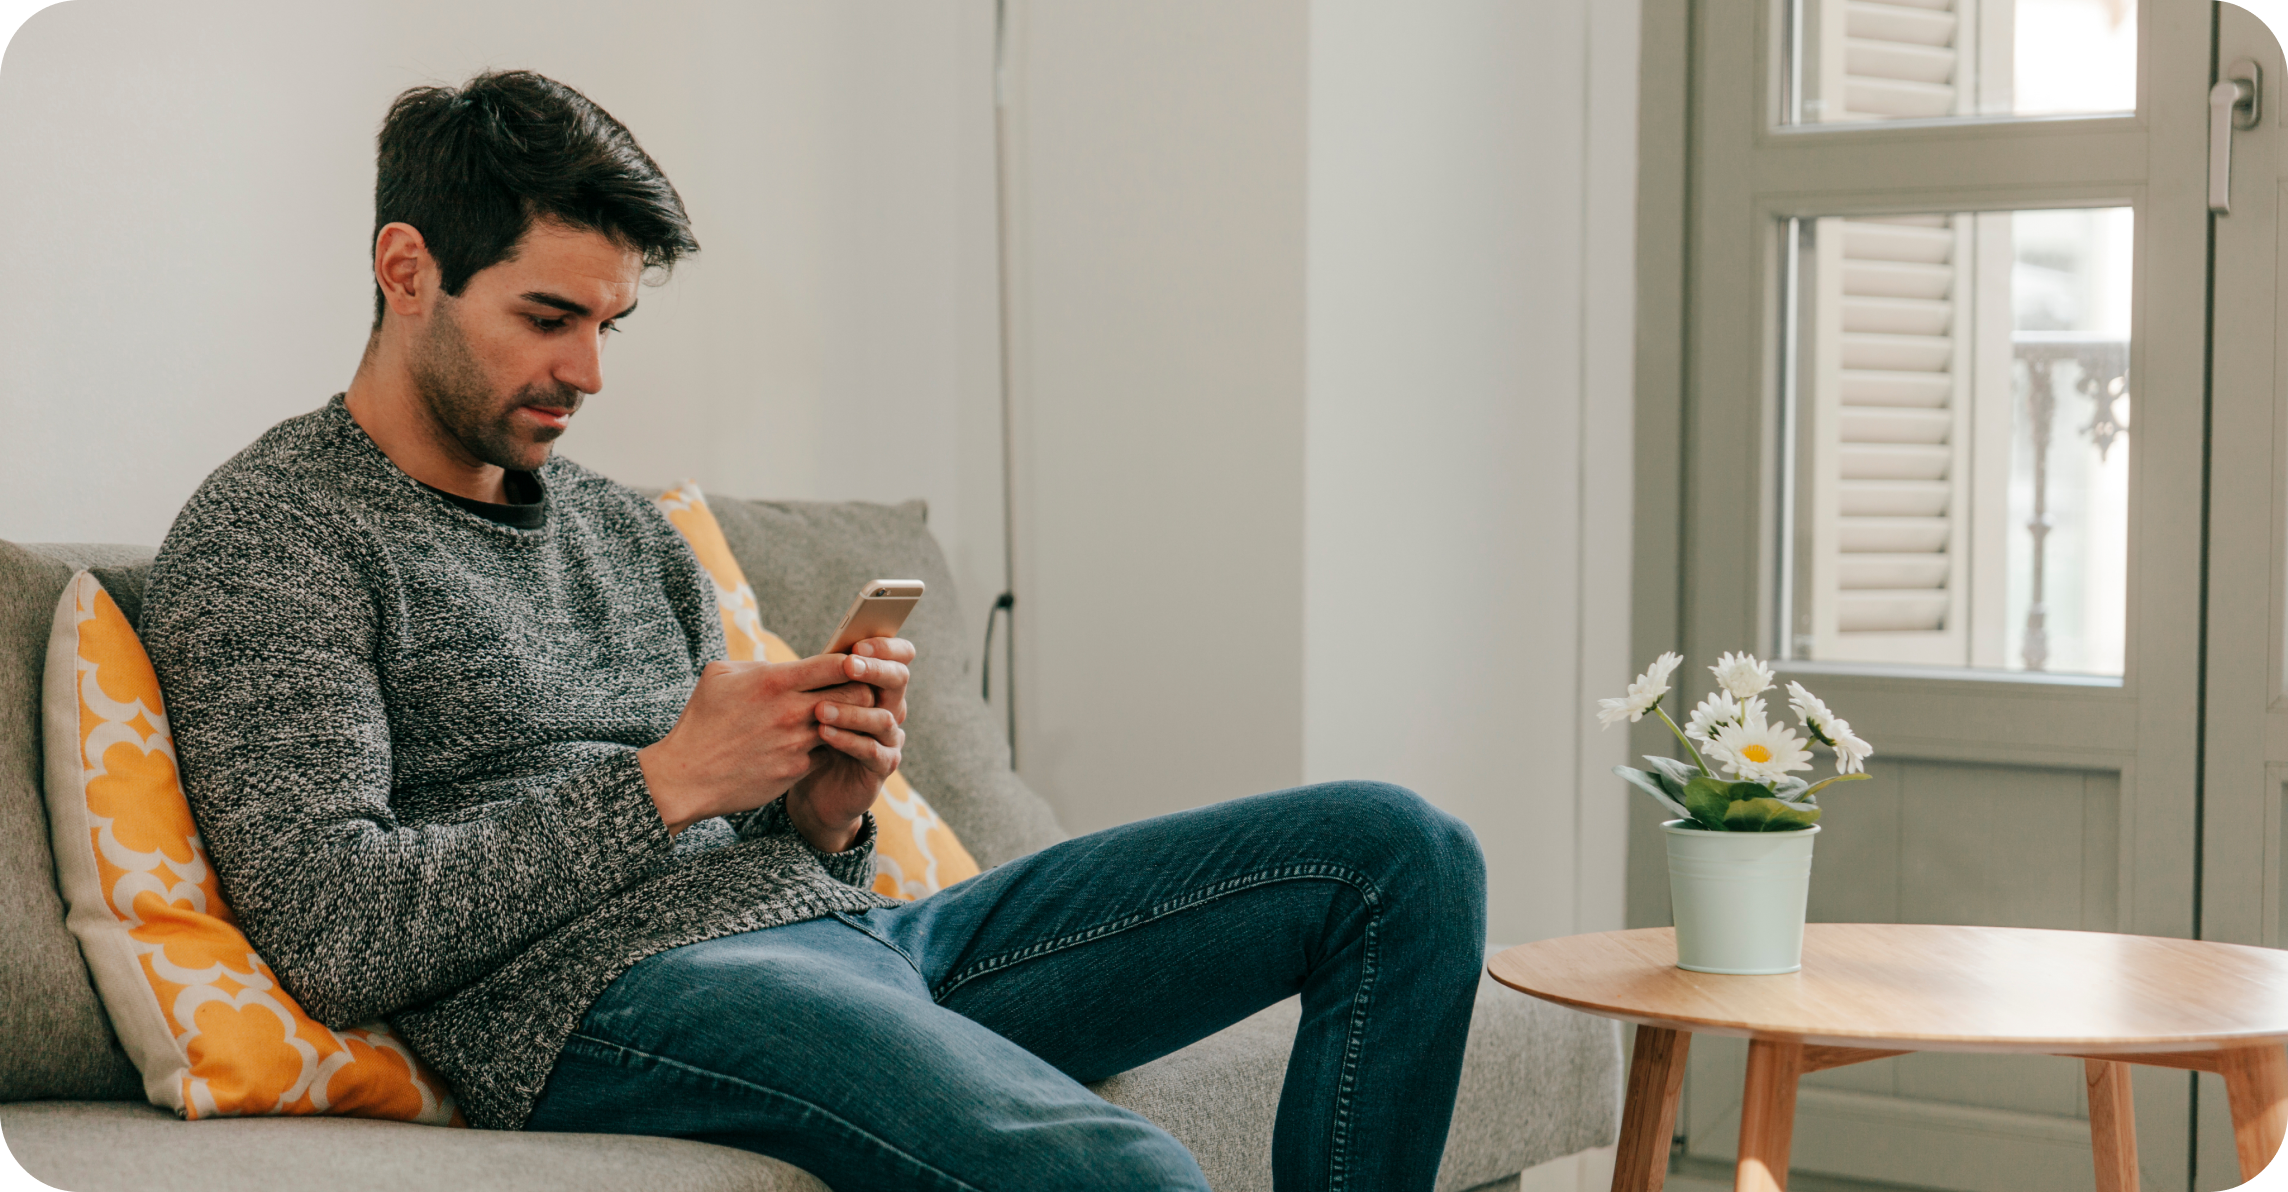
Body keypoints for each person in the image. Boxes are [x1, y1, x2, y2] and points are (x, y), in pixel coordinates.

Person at [141, 70, 1486, 1192]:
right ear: (406, 270)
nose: (590, 371)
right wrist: (668, 784)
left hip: (855, 941)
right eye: (548, 318)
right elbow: (339, 932)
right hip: (599, 1003)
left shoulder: (621, 531)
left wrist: (826, 817)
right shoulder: (275, 536)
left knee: (1399, 856)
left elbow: (768, 865)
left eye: (609, 322)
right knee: (1125, 1176)